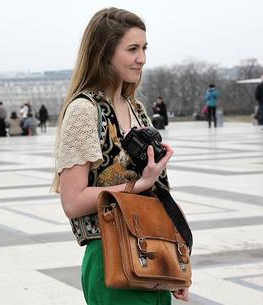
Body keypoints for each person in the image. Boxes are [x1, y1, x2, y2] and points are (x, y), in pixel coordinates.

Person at [51, 7, 187, 304]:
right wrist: (135, 186)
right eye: (132, 49)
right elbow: (72, 201)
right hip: (112, 258)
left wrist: (176, 260)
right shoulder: (84, 111)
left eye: (144, 48)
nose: (142, 58)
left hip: (150, 252)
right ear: (104, 52)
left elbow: (158, 193)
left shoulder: (135, 108)